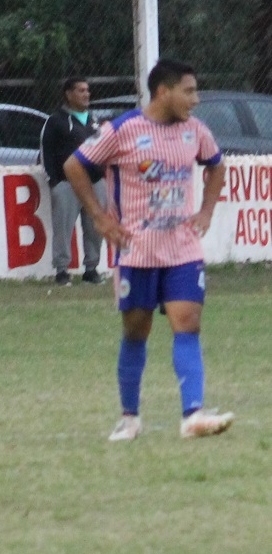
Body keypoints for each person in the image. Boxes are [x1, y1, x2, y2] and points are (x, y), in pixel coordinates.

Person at [63, 58, 234, 441]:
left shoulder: (195, 131)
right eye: (189, 91)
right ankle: (130, 418)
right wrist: (99, 217)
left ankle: (193, 414)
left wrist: (206, 210)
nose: (196, 99)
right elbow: (74, 165)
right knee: (136, 331)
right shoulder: (122, 130)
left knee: (187, 323)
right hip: (136, 250)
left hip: (182, 249)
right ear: (163, 91)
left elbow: (217, 166)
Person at [40, 77, 106, 286]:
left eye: (87, 90)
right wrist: (54, 180)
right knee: (63, 228)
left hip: (94, 182)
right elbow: (46, 151)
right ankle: (61, 270)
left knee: (95, 226)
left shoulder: (94, 120)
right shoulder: (56, 121)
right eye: (81, 90)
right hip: (67, 183)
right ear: (68, 94)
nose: (86, 94)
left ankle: (91, 269)